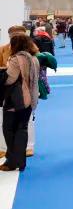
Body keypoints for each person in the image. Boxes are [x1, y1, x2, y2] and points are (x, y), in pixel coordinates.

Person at [0, 34, 40, 172]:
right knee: (22, 130)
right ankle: (20, 162)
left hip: (15, 101)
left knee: (9, 130)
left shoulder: (16, 59)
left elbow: (9, 79)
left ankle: (12, 162)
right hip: (29, 100)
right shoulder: (34, 59)